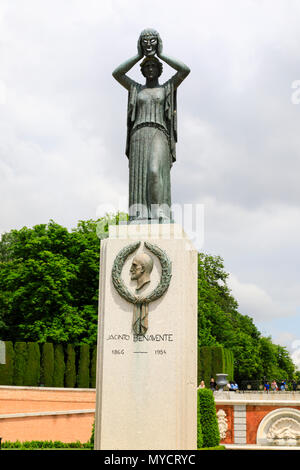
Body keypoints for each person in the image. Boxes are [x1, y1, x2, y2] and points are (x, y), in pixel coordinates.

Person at [112, 28, 190, 222]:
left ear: (159, 69)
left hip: (159, 132)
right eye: (147, 67)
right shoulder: (135, 88)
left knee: (154, 172)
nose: (150, 69)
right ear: (143, 70)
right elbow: (117, 73)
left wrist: (161, 54)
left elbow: (184, 70)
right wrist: (139, 55)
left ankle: (160, 213)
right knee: (138, 178)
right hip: (138, 134)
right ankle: (140, 215)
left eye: (154, 67)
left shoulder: (166, 88)